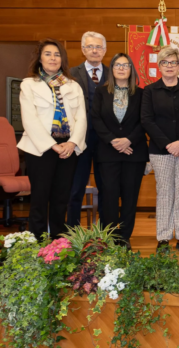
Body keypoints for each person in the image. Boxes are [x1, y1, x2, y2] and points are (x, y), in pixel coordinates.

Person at [17, 38, 87, 240]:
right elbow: (29, 120)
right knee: (39, 198)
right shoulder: (29, 85)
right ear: (40, 58)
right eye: (48, 54)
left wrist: (72, 143)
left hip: (68, 148)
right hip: (40, 149)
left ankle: (58, 242)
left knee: (61, 198)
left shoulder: (74, 86)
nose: (53, 58)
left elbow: (81, 118)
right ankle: (37, 242)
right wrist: (52, 146)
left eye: (57, 54)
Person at [141, 47, 179, 252]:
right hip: (160, 151)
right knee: (165, 193)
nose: (169, 66)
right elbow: (146, 120)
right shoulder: (150, 90)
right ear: (159, 66)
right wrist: (168, 144)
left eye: (173, 62)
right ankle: (164, 237)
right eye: (165, 62)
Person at [90, 53, 148, 248]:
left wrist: (128, 140)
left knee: (130, 197)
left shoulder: (142, 94)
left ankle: (124, 237)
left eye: (126, 65)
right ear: (111, 69)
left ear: (131, 70)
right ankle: (109, 237)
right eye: (117, 65)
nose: (122, 68)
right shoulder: (101, 92)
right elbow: (96, 118)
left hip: (134, 152)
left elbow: (145, 120)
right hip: (108, 152)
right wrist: (113, 140)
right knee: (109, 196)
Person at [67, 31, 108, 227]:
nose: (94, 50)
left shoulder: (113, 73)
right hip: (79, 139)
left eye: (98, 47)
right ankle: (72, 231)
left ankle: (106, 232)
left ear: (104, 50)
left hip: (105, 140)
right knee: (76, 187)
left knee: (106, 188)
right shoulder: (70, 74)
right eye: (90, 47)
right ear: (83, 50)